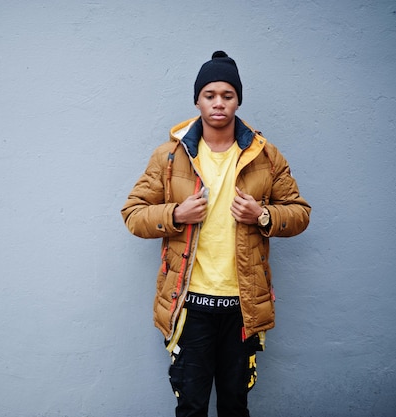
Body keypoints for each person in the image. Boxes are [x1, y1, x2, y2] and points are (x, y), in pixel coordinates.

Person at [121, 51, 311, 417]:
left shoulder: (265, 156)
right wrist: (176, 213)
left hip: (243, 305)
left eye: (227, 94)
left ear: (238, 99)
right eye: (210, 95)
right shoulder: (170, 157)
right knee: (191, 406)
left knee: (235, 406)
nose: (219, 103)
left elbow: (300, 213)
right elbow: (133, 214)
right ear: (197, 100)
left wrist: (264, 215)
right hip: (189, 305)